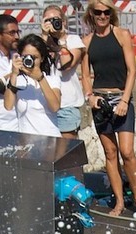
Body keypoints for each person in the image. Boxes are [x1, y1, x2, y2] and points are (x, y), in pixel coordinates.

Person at [81, 0, 136, 218]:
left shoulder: (122, 35)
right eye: (98, 12)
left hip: (121, 97)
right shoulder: (87, 42)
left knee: (127, 152)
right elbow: (84, 75)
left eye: (106, 12)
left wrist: (124, 100)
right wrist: (90, 97)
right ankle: (119, 201)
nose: (102, 16)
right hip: (100, 100)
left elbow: (132, 71)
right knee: (110, 153)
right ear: (91, 15)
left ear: (111, 14)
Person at [2, 34, 61, 137]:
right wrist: (14, 74)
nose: (30, 60)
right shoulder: (16, 80)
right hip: (26, 141)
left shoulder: (51, 79)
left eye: (34, 57)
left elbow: (55, 107)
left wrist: (40, 78)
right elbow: (8, 106)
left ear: (42, 58)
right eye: (26, 57)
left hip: (51, 139)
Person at [41, 5, 85, 139]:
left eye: (56, 19)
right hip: (44, 104)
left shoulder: (73, 40)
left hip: (66, 104)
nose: (52, 23)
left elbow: (66, 65)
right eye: (47, 20)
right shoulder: (40, 43)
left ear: (64, 22)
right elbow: (37, 64)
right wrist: (44, 36)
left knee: (66, 154)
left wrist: (60, 39)